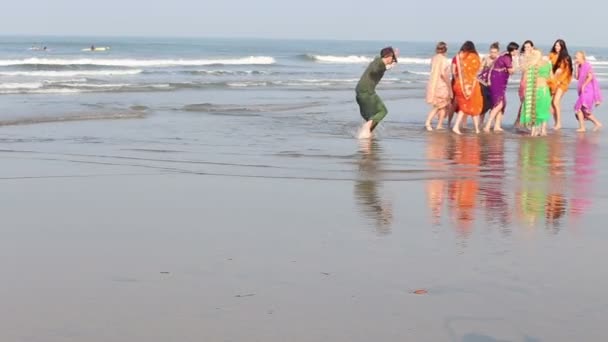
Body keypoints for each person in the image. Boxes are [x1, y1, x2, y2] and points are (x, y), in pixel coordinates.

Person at [355, 46, 398, 139]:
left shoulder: (379, 62)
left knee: (372, 117)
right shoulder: (378, 62)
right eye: (393, 58)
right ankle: (366, 129)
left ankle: (367, 135)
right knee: (383, 111)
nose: (394, 60)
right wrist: (387, 66)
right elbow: (375, 69)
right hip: (366, 92)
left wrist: (393, 61)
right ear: (389, 56)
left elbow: (385, 67)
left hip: (361, 92)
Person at [483, 42, 519, 133]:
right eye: (516, 50)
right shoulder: (507, 57)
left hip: (499, 81)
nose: (517, 51)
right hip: (497, 81)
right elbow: (511, 71)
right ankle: (488, 125)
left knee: (502, 103)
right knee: (499, 104)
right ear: (513, 50)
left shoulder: (505, 55)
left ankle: (497, 126)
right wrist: (516, 61)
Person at [451, 41, 483, 135]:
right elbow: (477, 70)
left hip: (459, 84)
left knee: (466, 106)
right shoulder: (474, 57)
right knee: (471, 106)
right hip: (471, 85)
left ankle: (476, 129)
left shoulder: (458, 56)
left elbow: (453, 71)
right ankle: (457, 127)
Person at [520, 49, 552, 136]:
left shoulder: (533, 65)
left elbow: (525, 78)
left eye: (535, 54)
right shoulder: (544, 64)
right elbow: (551, 78)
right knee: (539, 110)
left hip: (540, 90)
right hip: (540, 90)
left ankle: (539, 130)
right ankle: (539, 130)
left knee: (538, 110)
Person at [424, 42, 453, 131]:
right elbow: (444, 74)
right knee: (438, 106)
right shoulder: (444, 60)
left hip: (433, 83)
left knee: (442, 105)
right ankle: (428, 122)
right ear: (445, 50)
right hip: (441, 85)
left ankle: (439, 125)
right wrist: (449, 87)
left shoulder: (433, 59)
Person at [573, 51, 603, 132]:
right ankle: (597, 123)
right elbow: (576, 77)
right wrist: (575, 66)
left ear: (582, 57)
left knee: (578, 108)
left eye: (577, 56)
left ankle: (582, 127)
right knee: (584, 111)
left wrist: (584, 85)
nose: (576, 58)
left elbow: (590, 76)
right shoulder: (579, 66)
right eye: (575, 56)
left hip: (588, 90)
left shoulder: (587, 65)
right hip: (583, 91)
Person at [548, 39, 573, 130]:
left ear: (562, 47)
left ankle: (559, 123)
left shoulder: (566, 57)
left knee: (555, 102)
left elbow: (568, 72)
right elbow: (547, 66)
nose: (556, 47)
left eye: (558, 46)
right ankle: (555, 123)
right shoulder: (551, 55)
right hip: (553, 81)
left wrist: (559, 81)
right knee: (550, 104)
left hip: (563, 82)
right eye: (555, 45)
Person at [477, 42, 500, 125]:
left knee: (495, 105)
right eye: (491, 52)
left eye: (494, 52)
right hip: (484, 84)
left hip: (495, 85)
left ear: (498, 52)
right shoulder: (486, 58)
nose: (492, 54)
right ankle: (480, 123)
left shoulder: (499, 60)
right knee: (484, 105)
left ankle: (494, 124)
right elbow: (480, 70)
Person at [514, 40, 535, 128]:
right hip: (524, 82)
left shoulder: (535, 56)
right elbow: (521, 68)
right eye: (525, 47)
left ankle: (526, 122)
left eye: (528, 47)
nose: (526, 48)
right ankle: (520, 121)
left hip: (533, 81)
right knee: (524, 102)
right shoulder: (522, 57)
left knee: (531, 103)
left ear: (532, 48)